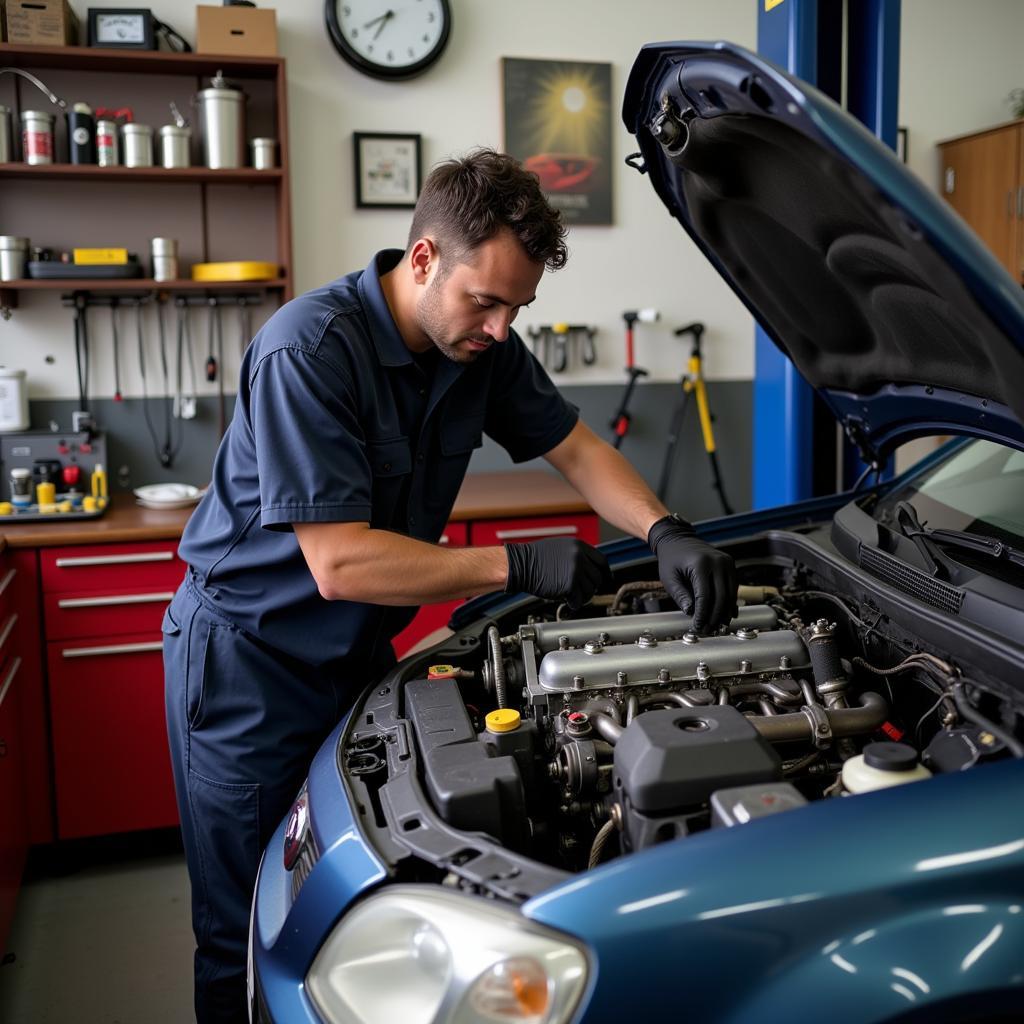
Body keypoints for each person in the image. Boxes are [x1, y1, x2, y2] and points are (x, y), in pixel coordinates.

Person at [162, 147, 736, 1023]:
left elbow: (576, 448)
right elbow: (341, 562)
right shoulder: (308, 352)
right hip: (248, 667)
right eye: (487, 300)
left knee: (348, 905)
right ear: (424, 258)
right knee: (246, 923)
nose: (503, 327)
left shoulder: (481, 346)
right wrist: (514, 562)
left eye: (518, 305)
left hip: (351, 654)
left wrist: (665, 528)